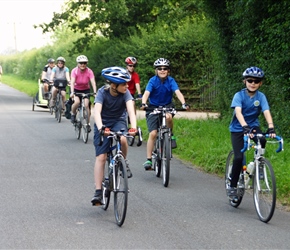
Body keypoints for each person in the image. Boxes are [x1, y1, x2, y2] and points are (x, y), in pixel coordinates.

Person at [227, 66, 276, 201]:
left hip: (253, 127)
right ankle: (232, 185)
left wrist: (271, 127)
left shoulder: (261, 97)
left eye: (256, 81)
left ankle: (258, 165)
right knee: (238, 158)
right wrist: (244, 126)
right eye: (250, 80)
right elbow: (238, 112)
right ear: (245, 81)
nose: (253, 83)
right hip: (238, 129)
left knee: (262, 140)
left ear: (260, 83)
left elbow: (266, 111)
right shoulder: (239, 95)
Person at [91, 66, 137, 206]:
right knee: (102, 157)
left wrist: (134, 127)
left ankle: (123, 161)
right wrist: (101, 128)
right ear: (113, 85)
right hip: (103, 123)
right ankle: (98, 192)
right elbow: (97, 112)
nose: (126, 86)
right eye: (123, 84)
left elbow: (130, 110)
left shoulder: (126, 93)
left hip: (118, 121)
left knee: (123, 139)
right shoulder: (102, 92)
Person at [140, 58, 189, 170]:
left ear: (168, 71)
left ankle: (170, 135)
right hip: (153, 107)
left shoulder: (171, 81)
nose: (162, 70)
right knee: (153, 134)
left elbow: (177, 92)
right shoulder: (152, 80)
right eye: (160, 68)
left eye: (165, 68)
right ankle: (148, 159)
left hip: (167, 105)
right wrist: (143, 103)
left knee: (169, 117)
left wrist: (184, 103)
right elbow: (146, 93)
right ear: (156, 70)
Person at [70, 55, 97, 131]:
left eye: (84, 63)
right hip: (76, 89)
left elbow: (93, 82)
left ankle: (88, 124)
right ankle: (73, 113)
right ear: (78, 64)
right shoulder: (74, 71)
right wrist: (72, 92)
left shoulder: (89, 71)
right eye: (81, 63)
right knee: (77, 102)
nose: (83, 65)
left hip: (86, 90)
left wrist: (95, 93)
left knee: (86, 105)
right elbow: (72, 82)